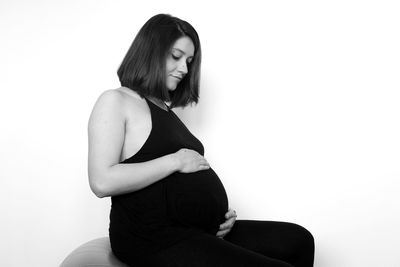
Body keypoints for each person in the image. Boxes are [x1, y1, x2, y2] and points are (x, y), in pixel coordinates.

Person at [88, 13, 314, 267]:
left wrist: (217, 217)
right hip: (154, 238)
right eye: (176, 56)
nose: (184, 69)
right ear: (150, 51)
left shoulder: (164, 109)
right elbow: (101, 181)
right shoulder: (116, 101)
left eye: (189, 61)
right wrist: (175, 161)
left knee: (299, 241)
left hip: (197, 231)